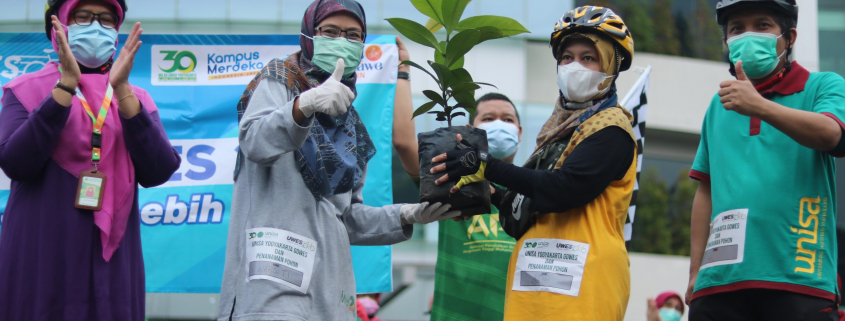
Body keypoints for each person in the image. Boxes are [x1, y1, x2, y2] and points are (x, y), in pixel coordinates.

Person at [217, 1, 459, 320]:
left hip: (329, 292)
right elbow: (255, 141)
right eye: (329, 31)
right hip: (271, 286)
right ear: (308, 33)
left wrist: (407, 215)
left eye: (354, 35)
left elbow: (347, 217)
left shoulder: (349, 124)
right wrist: (304, 105)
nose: (342, 41)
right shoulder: (279, 80)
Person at [431, 5, 637, 321]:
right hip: (534, 283)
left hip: (583, 283)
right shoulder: (557, 133)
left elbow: (563, 189)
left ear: (612, 63)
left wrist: (487, 166)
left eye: (588, 57)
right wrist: (489, 190)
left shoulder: (612, 129)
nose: (575, 66)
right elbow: (527, 207)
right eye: (566, 58)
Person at [0, 0, 181, 320]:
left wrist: (122, 91)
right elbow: (17, 164)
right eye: (83, 17)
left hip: (111, 260)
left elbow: (159, 170)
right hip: (41, 251)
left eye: (107, 20)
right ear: (59, 27)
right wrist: (65, 88)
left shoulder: (135, 98)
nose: (96, 27)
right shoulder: (23, 90)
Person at [686, 0, 845, 320]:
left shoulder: (823, 86)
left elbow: (831, 135)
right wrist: (695, 273)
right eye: (736, 29)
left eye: (762, 25)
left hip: (799, 280)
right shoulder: (719, 106)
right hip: (719, 286)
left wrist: (758, 106)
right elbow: (706, 190)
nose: (748, 35)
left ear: (789, 37)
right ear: (727, 42)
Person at [430, 93, 522, 321]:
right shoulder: (450, 183)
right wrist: (401, 72)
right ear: (471, 130)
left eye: (508, 120)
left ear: (519, 132)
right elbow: (402, 142)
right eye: (489, 118)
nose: (500, 125)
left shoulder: (534, 192)